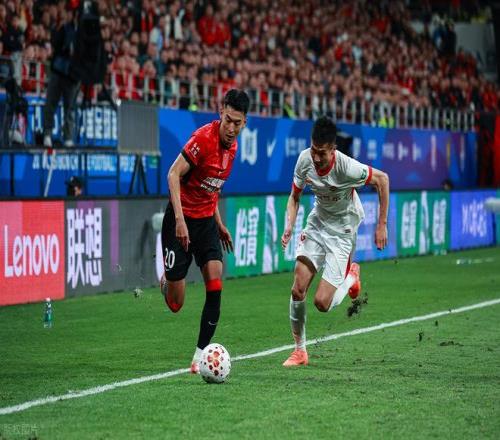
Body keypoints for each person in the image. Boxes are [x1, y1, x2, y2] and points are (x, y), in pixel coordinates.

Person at [281, 116, 390, 367]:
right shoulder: (304, 160)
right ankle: (300, 351)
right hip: (318, 223)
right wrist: (289, 225)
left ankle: (351, 276)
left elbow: (382, 180)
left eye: (322, 153)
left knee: (322, 303)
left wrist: (382, 224)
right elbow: (294, 197)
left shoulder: (347, 167)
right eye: (313, 150)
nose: (316, 157)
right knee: (297, 288)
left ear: (333, 149)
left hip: (342, 231)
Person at [160, 89, 250, 373]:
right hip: (180, 220)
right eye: (228, 120)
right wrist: (179, 220)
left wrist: (219, 223)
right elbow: (173, 174)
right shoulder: (203, 139)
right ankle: (166, 281)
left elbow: (211, 188)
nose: (231, 128)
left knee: (215, 280)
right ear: (221, 112)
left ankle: (199, 357)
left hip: (206, 223)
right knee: (176, 304)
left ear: (245, 122)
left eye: (237, 123)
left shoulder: (233, 148)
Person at [43, 5, 80, 148]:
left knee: (70, 108)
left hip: (73, 76)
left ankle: (68, 137)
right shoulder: (64, 28)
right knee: (50, 103)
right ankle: (47, 134)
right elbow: (55, 44)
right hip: (58, 71)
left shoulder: (85, 34)